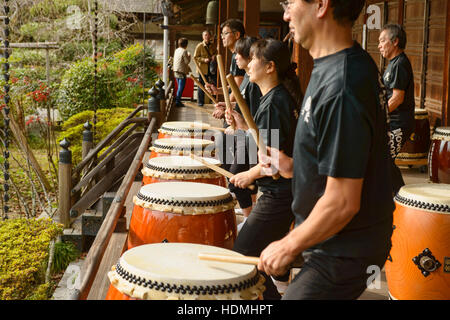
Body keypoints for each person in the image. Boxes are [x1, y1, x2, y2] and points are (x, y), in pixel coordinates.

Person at [257, 0, 394, 300]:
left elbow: (343, 201)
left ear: (321, 5)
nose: (285, 14)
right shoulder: (331, 65)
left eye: (290, 3)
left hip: (344, 248)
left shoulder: (342, 84)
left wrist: (289, 244)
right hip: (331, 238)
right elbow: (340, 157)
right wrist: (292, 166)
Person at [226, 38, 302, 300]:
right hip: (283, 192)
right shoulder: (278, 98)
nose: (248, 64)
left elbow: (273, 162)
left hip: (277, 195)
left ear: (270, 67)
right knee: (261, 258)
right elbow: (268, 144)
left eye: (254, 59)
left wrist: (249, 174)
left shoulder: (273, 103)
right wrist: (241, 125)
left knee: (242, 258)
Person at [215, 36, 261, 229]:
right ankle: (248, 209)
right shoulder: (246, 81)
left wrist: (241, 124)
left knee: (235, 178)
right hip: (244, 132)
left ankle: (250, 219)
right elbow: (243, 105)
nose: (234, 57)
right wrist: (229, 106)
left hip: (252, 136)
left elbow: (255, 114)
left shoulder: (253, 82)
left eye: (237, 53)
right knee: (222, 151)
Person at [378, 23, 415, 194]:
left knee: (383, 160)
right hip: (392, 121)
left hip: (399, 123)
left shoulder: (400, 64)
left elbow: (397, 98)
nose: (379, 45)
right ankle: (398, 197)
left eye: (382, 41)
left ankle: (399, 198)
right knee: (383, 160)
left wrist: (378, 115)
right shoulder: (393, 63)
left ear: (395, 42)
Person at [194, 30, 217, 106]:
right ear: (203, 37)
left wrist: (214, 56)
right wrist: (204, 60)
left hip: (212, 69)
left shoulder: (213, 45)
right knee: (201, 86)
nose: (207, 36)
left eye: (208, 35)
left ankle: (213, 101)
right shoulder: (200, 46)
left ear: (210, 36)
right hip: (203, 69)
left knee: (213, 84)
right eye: (205, 35)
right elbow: (195, 57)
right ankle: (200, 102)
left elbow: (216, 53)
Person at [173, 37, 191, 107]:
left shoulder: (177, 50)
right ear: (186, 44)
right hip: (181, 71)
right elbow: (187, 62)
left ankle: (178, 100)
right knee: (181, 87)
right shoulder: (184, 51)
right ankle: (177, 101)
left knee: (179, 87)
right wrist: (189, 56)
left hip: (176, 70)